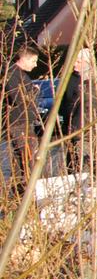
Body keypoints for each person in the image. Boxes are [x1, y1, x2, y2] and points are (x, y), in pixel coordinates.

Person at [3, 44, 42, 186]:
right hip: (20, 123)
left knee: (24, 159)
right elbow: (18, 98)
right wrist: (33, 92)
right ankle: (27, 193)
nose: (36, 65)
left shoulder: (20, 74)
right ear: (24, 59)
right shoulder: (13, 74)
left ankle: (23, 192)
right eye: (33, 61)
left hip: (24, 122)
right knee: (28, 158)